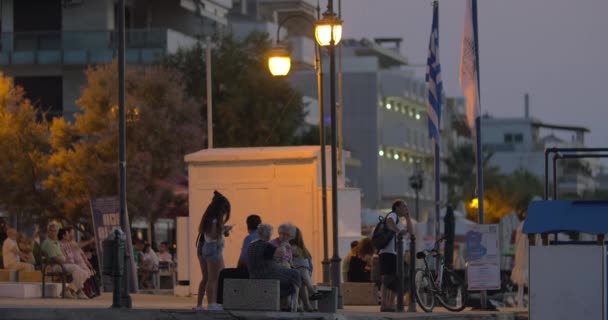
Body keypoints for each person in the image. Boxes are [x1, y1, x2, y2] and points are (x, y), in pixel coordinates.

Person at [247, 224, 301, 310]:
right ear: (268, 235)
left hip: (254, 275)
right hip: (267, 274)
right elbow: (281, 253)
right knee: (295, 274)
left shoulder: (251, 245)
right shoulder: (266, 246)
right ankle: (294, 305)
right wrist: (283, 244)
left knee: (289, 278)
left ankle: (284, 304)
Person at [196, 191, 231, 311]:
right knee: (213, 278)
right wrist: (223, 230)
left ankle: (205, 304)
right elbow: (213, 235)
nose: (225, 213)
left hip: (208, 247)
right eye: (225, 210)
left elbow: (209, 234)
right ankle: (212, 303)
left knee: (210, 277)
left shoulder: (208, 217)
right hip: (213, 248)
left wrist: (222, 230)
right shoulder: (215, 219)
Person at [216, 214, 262, 305]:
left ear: (247, 225)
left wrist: (238, 268)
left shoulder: (249, 238)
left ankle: (219, 303)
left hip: (250, 272)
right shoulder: (264, 237)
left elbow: (243, 259)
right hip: (260, 271)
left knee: (223, 273)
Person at [378, 200, 413, 312]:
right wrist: (398, 231)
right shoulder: (393, 215)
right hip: (389, 252)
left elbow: (411, 233)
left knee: (395, 278)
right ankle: (385, 304)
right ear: (397, 208)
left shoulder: (401, 220)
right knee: (388, 278)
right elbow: (389, 222)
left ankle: (390, 304)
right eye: (404, 206)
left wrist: (408, 217)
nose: (406, 208)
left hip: (396, 253)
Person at [41, 222, 89, 299]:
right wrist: (66, 261)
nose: (53, 232)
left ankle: (69, 289)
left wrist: (66, 260)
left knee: (85, 273)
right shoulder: (48, 243)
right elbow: (55, 259)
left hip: (63, 264)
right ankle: (79, 291)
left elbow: (64, 255)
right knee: (77, 269)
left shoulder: (56, 242)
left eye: (55, 231)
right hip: (55, 265)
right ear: (48, 232)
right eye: (51, 230)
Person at [290, 227, 324, 311]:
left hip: (301, 272)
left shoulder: (294, 248)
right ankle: (310, 298)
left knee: (301, 276)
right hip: (300, 273)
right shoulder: (302, 248)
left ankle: (309, 297)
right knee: (301, 279)